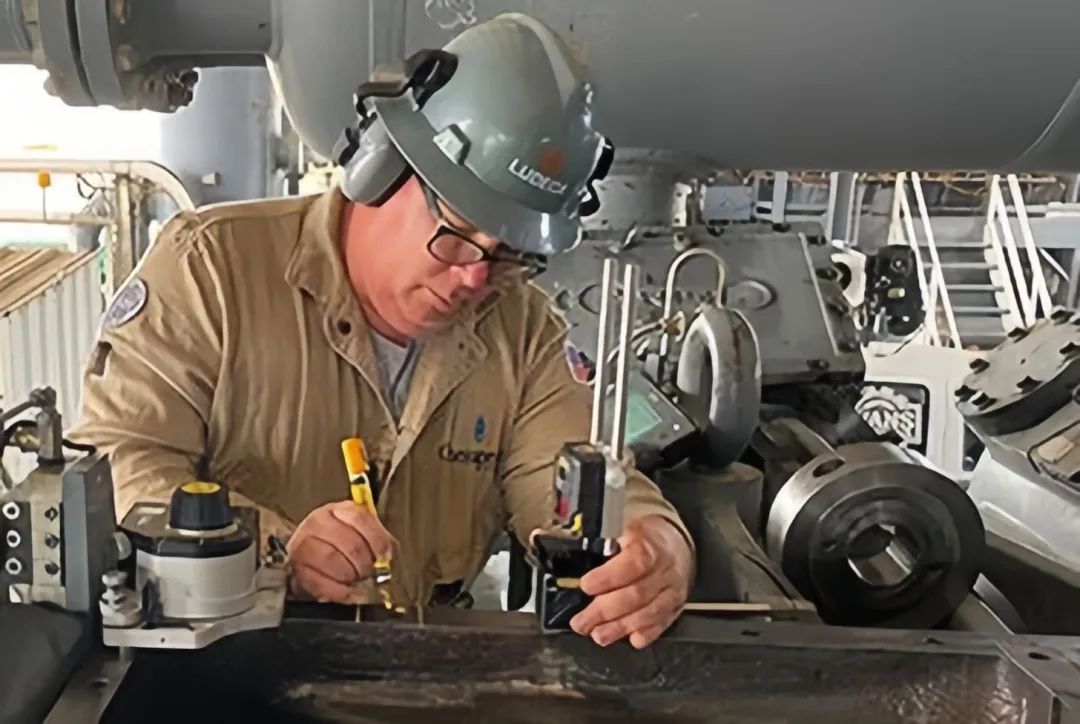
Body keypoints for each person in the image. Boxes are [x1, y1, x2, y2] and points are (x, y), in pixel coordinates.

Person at [71, 13, 694, 650]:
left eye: (509, 253)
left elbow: (569, 476)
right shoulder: (209, 272)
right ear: (381, 169)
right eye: (457, 235)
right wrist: (272, 550)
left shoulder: (524, 331)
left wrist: (655, 543)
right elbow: (119, 465)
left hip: (415, 667)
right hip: (229, 655)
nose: (476, 277)